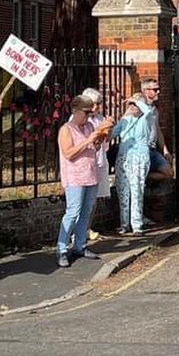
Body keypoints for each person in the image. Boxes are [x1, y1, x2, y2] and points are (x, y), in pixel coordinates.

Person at [56, 95, 103, 268]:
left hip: (90, 174)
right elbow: (69, 153)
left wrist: (97, 142)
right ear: (76, 110)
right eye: (86, 112)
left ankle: (80, 245)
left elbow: (93, 148)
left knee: (86, 211)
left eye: (90, 113)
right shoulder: (66, 129)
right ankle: (61, 247)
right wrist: (88, 141)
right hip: (74, 176)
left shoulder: (89, 126)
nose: (89, 116)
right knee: (73, 211)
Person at [111, 94, 152, 235]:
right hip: (124, 157)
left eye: (135, 104)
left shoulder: (146, 119)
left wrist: (137, 101)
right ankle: (124, 223)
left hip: (139, 157)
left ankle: (137, 224)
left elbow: (148, 111)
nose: (132, 107)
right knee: (123, 190)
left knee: (137, 190)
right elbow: (112, 134)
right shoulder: (125, 120)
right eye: (130, 105)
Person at [81, 88, 113, 241]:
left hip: (99, 160)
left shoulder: (99, 118)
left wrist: (109, 128)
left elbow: (106, 138)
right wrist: (102, 127)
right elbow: (86, 138)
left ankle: (87, 228)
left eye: (99, 104)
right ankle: (78, 232)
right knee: (82, 199)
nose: (97, 107)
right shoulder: (80, 119)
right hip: (85, 164)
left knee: (93, 199)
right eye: (94, 104)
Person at [140, 78, 174, 181]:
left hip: (153, 150)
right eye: (155, 89)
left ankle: (142, 177)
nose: (158, 92)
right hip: (142, 150)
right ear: (146, 90)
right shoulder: (138, 108)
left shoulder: (154, 109)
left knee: (169, 173)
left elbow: (157, 130)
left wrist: (165, 150)